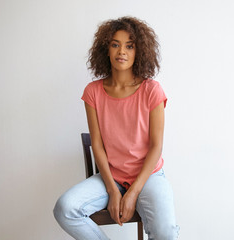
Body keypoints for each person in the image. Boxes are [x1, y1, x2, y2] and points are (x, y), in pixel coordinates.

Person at [53, 16, 179, 240]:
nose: (122, 51)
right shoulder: (93, 92)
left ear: (139, 51)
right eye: (115, 44)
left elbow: (156, 147)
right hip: (111, 178)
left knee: (166, 232)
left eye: (129, 46)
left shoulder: (152, 90)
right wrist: (113, 190)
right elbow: (98, 146)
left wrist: (133, 193)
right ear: (106, 50)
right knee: (65, 208)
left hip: (148, 176)